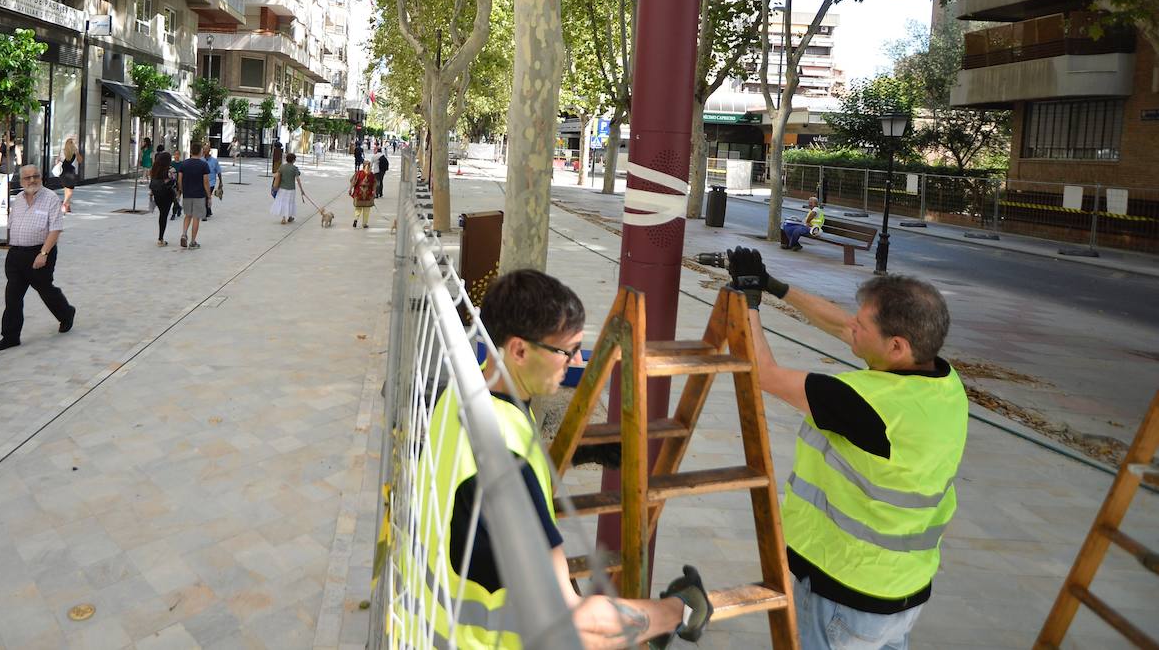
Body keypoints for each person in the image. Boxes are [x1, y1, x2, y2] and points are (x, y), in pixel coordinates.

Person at [409, 269, 713, 648]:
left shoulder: (461, 394)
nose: (578, 360)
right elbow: (577, 625)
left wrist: (578, 452)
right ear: (519, 350)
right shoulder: (506, 457)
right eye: (566, 352)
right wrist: (678, 609)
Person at [723, 248, 967, 650]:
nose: (851, 326)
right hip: (903, 594)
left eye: (862, 324)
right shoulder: (945, 384)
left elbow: (763, 374)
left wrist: (749, 301)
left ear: (896, 347)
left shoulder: (866, 403)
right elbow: (839, 325)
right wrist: (774, 287)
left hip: (842, 591)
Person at [0, 165, 76, 352]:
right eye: (27, 178)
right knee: (12, 297)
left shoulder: (51, 198)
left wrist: (43, 254)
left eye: (35, 176)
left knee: (45, 290)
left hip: (40, 253)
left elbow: (55, 229)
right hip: (16, 254)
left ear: (41, 178)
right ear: (21, 181)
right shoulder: (18, 199)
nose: (31, 180)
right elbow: (13, 224)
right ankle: (10, 336)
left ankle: (66, 313)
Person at [176, 141, 211, 249]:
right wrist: (209, 196)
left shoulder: (184, 164)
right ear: (200, 152)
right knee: (196, 218)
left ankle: (184, 234)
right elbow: (206, 182)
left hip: (187, 194)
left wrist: (181, 191)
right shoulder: (203, 165)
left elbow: (179, 179)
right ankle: (193, 242)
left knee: (187, 216)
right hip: (199, 195)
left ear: (191, 151)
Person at [148, 151, 177, 246]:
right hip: (167, 195)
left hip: (157, 195)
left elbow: (152, 181)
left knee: (162, 214)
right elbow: (174, 181)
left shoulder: (155, 169)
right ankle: (160, 239)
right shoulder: (170, 170)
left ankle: (161, 238)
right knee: (164, 215)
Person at [270, 152, 307, 224]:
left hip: (282, 188)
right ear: (293, 160)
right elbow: (298, 179)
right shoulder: (294, 168)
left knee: (283, 202)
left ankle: (284, 218)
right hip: (291, 189)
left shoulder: (282, 167)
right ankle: (289, 217)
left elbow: (276, 175)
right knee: (290, 202)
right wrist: (301, 190)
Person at [0, 133, 20, 218]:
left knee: (4, 189)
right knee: (2, 189)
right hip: (9, 171)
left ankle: (8, 207)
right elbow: (19, 162)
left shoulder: (0, 144)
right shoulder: (16, 148)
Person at [58, 138, 83, 213]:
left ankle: (67, 206)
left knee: (67, 189)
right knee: (70, 190)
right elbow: (80, 160)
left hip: (63, 172)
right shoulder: (74, 152)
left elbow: (58, 160)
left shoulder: (62, 151)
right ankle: (65, 204)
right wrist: (77, 153)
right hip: (70, 172)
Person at [348, 160, 376, 228]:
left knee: (358, 209)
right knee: (366, 210)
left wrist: (350, 189)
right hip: (368, 195)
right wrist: (374, 191)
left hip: (359, 194)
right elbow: (374, 183)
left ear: (363, 166)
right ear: (369, 166)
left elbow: (352, 181)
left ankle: (356, 219)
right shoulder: (371, 174)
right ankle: (364, 224)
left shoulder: (358, 173)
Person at [204, 147, 222, 220]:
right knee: (205, 197)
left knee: (206, 196)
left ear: (209, 151)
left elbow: (218, 171)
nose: (204, 151)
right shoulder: (201, 160)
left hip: (211, 182)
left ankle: (204, 214)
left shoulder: (214, 161)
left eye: (206, 150)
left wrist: (221, 182)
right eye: (203, 149)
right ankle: (208, 210)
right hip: (202, 182)